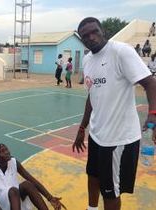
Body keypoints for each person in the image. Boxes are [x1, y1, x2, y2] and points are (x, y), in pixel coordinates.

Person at [72, 17, 156, 210]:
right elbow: (91, 96)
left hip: (118, 139)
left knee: (110, 190)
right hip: (97, 134)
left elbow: (150, 83)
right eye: (85, 35)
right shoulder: (87, 60)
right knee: (92, 175)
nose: (91, 37)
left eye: (94, 32)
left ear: (103, 31)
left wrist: (153, 114)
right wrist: (82, 128)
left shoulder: (120, 52)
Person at [0, 144, 66, 210]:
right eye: (2, 151)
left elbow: (32, 179)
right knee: (13, 190)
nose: (7, 152)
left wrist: (50, 197)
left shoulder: (13, 162)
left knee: (27, 184)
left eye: (6, 149)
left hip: (14, 197)